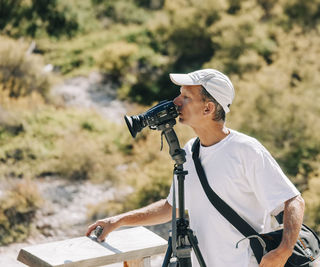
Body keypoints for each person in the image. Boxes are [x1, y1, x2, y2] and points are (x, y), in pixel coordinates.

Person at [86, 69, 305, 267]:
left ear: (208, 108)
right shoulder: (191, 151)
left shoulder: (245, 150)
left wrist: (282, 252)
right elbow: (172, 208)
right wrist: (118, 220)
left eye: (186, 97)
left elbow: (292, 201)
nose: (176, 101)